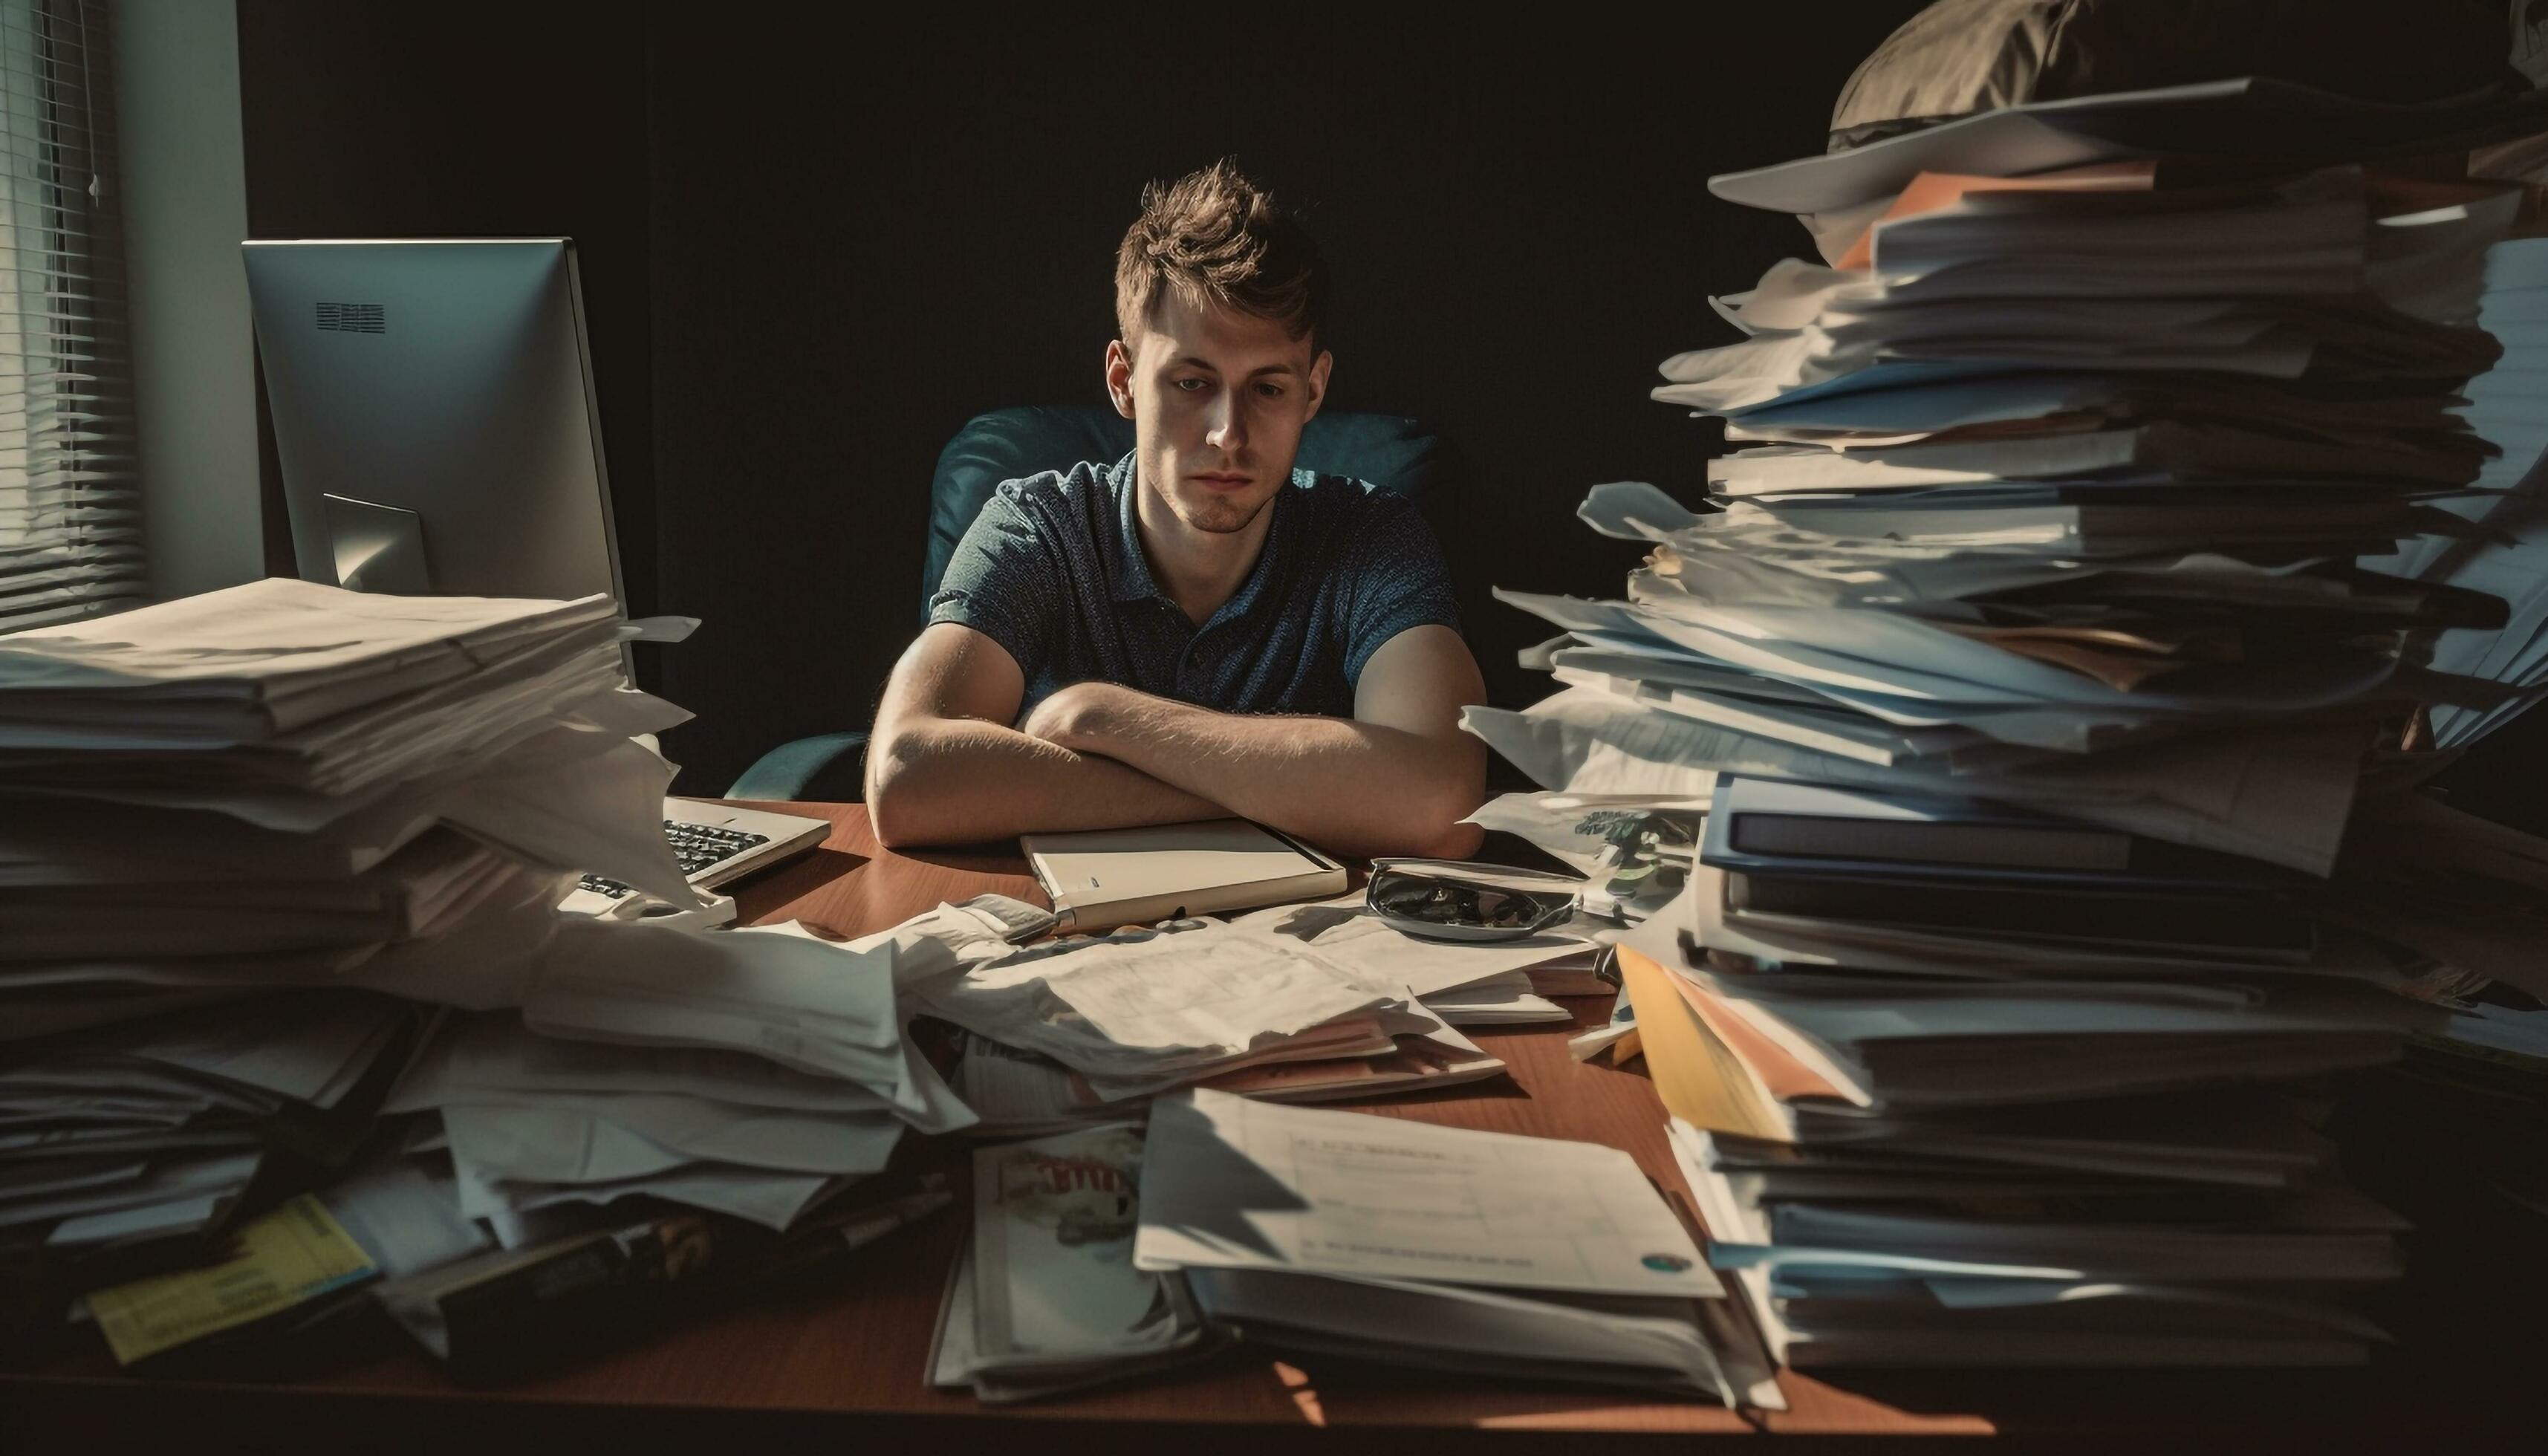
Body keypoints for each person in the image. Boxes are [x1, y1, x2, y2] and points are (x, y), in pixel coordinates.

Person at [864, 160, 1488, 857]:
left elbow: (1446, 804)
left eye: (1269, 389)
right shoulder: (1038, 527)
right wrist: (1285, 797)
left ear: (1313, 391)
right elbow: (905, 777)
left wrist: (1103, 718)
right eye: (1192, 383)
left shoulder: (1373, 536)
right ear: (1124, 380)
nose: (1229, 434)